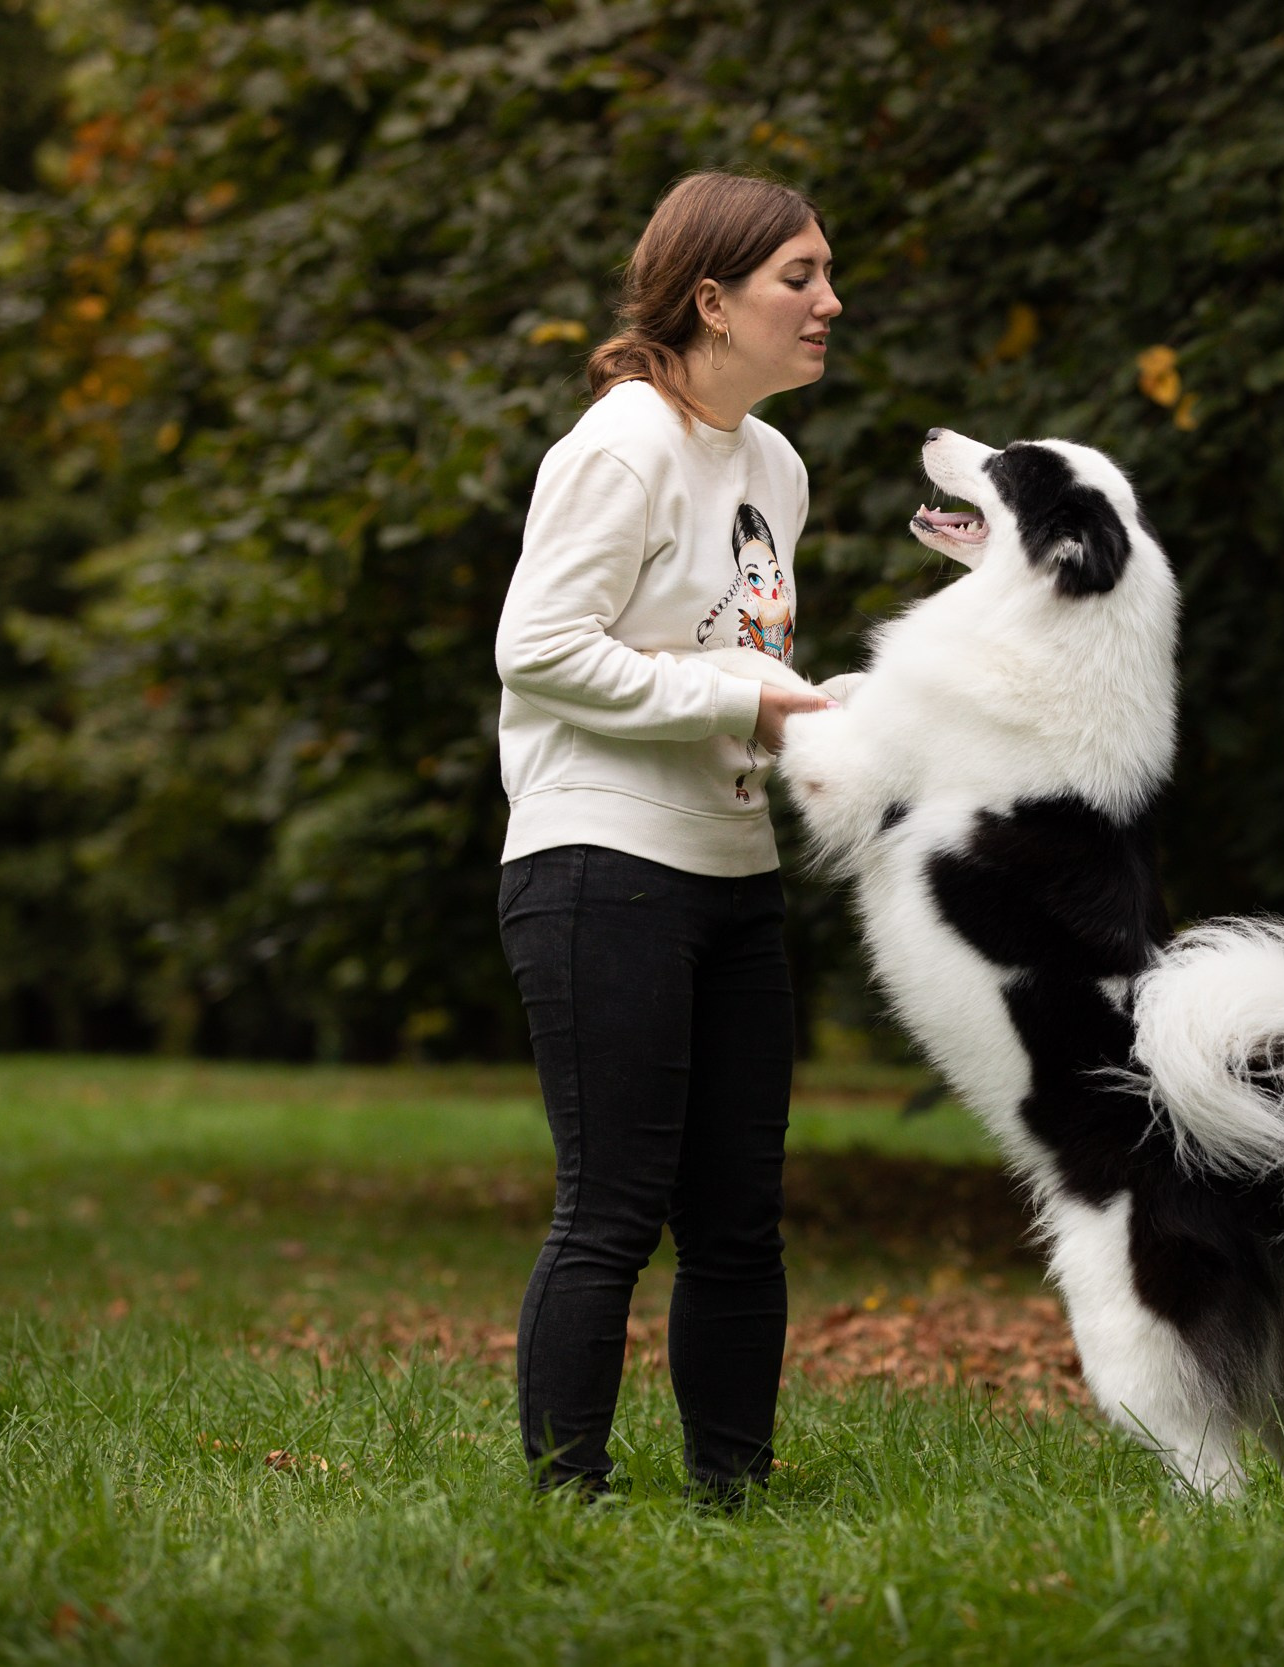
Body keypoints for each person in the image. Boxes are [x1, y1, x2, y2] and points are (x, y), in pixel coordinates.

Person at [492, 170, 840, 1499]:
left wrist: (814, 722)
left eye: (825, 275)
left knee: (739, 1224)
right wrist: (740, 698)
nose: (828, 302)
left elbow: (735, 670)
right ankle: (567, 1500)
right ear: (711, 298)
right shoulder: (622, 442)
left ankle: (731, 1496)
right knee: (613, 1212)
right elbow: (539, 651)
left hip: (734, 876)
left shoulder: (777, 468)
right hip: (599, 866)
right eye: (797, 277)